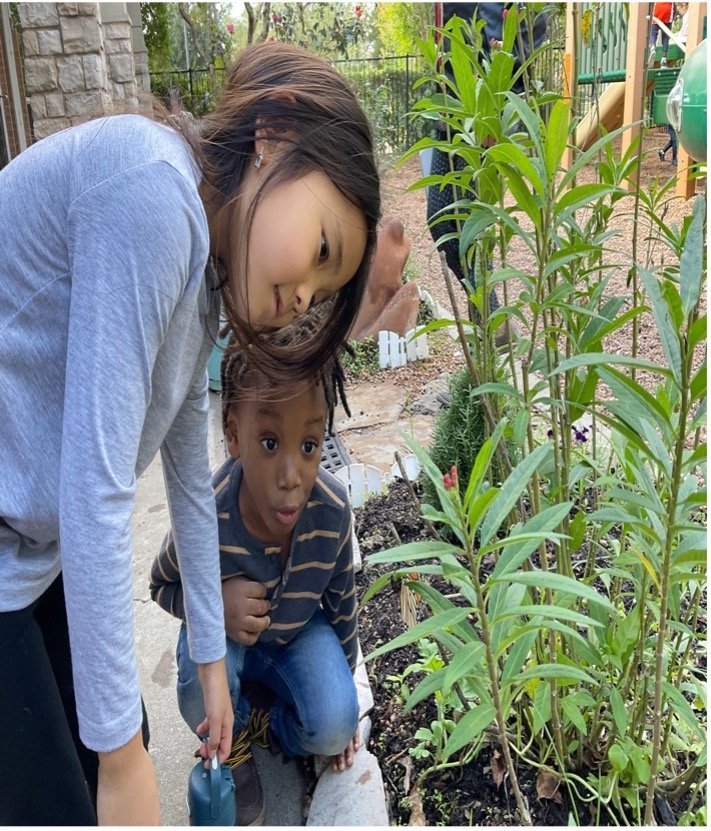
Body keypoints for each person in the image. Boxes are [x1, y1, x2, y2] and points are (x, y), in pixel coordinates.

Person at [0, 41, 379, 826]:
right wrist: (118, 758)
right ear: (275, 133)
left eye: (324, 289)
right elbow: (97, 485)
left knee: (111, 741)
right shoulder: (152, 191)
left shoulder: (200, 271)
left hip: (31, 548)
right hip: (23, 533)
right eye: (319, 249)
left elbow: (182, 459)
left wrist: (212, 654)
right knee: (71, 786)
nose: (305, 292)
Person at [150, 313, 360, 826]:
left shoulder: (330, 513)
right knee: (202, 680)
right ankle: (234, 742)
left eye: (309, 446)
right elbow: (160, 584)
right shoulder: (207, 515)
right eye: (270, 443)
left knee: (335, 723)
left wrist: (346, 689)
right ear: (234, 435)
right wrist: (213, 606)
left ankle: (266, 723)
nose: (292, 476)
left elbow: (341, 605)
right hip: (225, 643)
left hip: (296, 637)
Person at [427, 3, 547, 339]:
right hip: (450, 111)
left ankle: (493, 336)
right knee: (441, 219)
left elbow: (530, 22)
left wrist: (500, 98)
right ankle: (490, 318)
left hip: (481, 111)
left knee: (472, 227)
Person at [649, 2, 673, 67]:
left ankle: (652, 46)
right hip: (668, 9)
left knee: (653, 32)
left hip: (658, 7)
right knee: (665, 36)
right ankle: (663, 60)